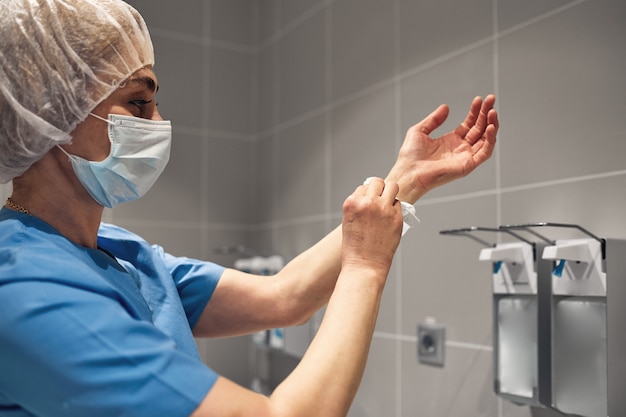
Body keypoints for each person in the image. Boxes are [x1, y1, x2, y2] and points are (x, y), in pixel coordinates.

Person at [0, 1, 499, 416]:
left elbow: (287, 298)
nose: (159, 122)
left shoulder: (118, 253)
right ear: (51, 117)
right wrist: (366, 266)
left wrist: (403, 182)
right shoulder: (25, 291)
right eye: (138, 103)